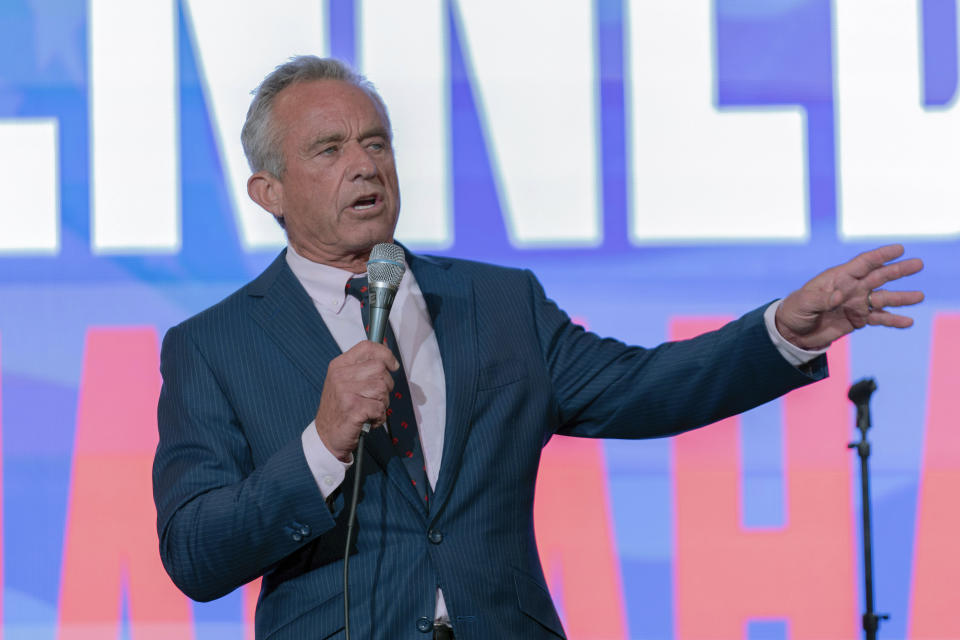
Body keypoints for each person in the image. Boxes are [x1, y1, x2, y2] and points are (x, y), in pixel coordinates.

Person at [152, 56, 924, 640]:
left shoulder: (497, 302)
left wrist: (783, 330)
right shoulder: (213, 346)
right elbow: (195, 555)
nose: (365, 165)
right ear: (269, 192)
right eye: (328, 149)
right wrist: (320, 446)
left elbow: (642, 386)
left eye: (376, 142)